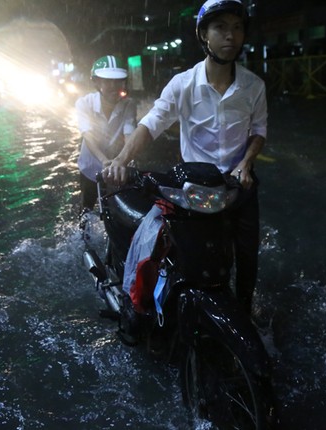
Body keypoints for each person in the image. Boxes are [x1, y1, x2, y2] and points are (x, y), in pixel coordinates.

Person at [104, 0, 268, 316]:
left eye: (237, 28)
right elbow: (150, 124)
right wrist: (121, 159)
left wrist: (246, 162)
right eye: (220, 28)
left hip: (237, 184)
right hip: (195, 187)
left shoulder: (254, 86)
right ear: (204, 35)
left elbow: (258, 130)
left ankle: (245, 312)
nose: (230, 36)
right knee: (183, 251)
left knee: (246, 255)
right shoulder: (182, 85)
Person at [75, 55, 137, 215]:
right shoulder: (84, 103)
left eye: (118, 81)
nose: (113, 86)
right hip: (90, 167)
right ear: (96, 82)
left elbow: (129, 133)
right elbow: (87, 134)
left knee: (116, 209)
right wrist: (103, 160)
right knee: (86, 208)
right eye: (108, 81)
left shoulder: (129, 104)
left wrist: (124, 159)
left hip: (116, 167)